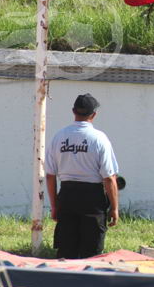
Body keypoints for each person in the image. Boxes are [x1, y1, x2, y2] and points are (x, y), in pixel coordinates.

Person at [45, 93, 119, 259]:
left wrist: (55, 205)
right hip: (92, 199)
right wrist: (114, 208)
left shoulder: (59, 136)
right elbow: (108, 178)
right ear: (94, 114)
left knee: (66, 250)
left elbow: (50, 175)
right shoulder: (99, 139)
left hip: (66, 196)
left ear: (73, 111)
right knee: (91, 252)